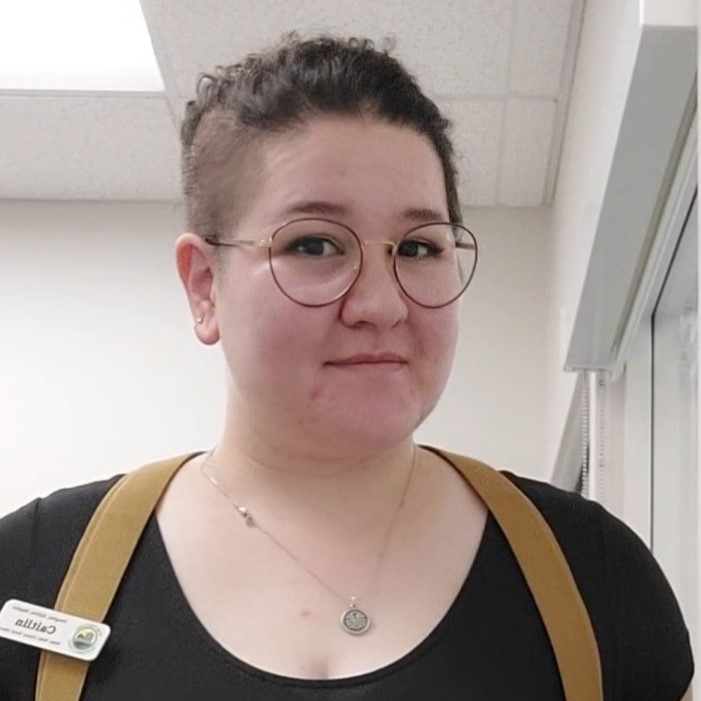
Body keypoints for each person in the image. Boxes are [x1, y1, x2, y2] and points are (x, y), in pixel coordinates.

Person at [0, 34, 694, 700]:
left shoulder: (592, 574)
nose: (380, 303)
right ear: (204, 285)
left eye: (419, 248)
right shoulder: (32, 570)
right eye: (313, 243)